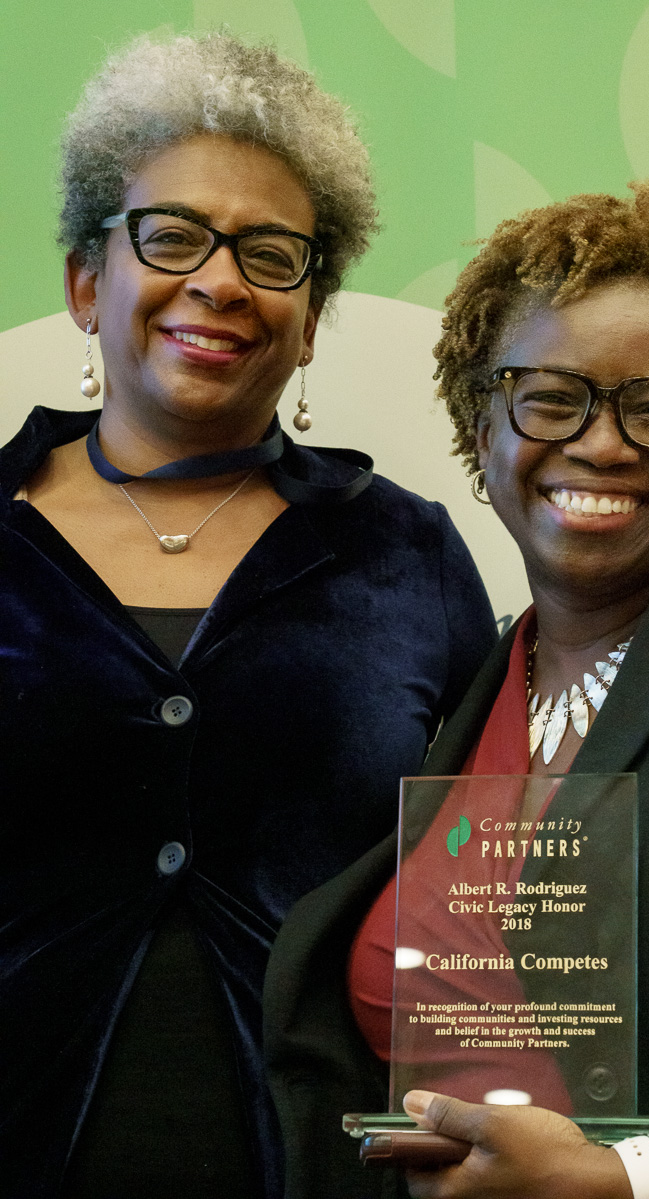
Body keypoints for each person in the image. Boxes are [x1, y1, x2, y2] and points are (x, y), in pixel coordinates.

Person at [0, 32, 497, 1199]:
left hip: (333, 1167)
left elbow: (497, 878)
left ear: (312, 315)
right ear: (87, 280)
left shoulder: (404, 549)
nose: (220, 281)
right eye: (172, 236)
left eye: (270, 254)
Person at [265, 180, 649, 1199]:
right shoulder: (476, 687)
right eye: (552, 398)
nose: (602, 443)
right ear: (484, 428)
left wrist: (636, 1176)